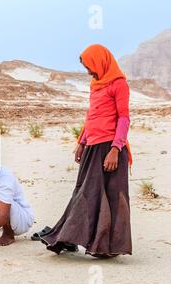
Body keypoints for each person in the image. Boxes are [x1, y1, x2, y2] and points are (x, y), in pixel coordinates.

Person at [40, 44, 133, 258]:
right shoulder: (95, 84)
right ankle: (69, 238)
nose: (89, 72)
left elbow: (124, 118)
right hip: (92, 147)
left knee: (109, 196)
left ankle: (106, 247)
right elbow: (91, 116)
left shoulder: (119, 84)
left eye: (90, 67)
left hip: (109, 148)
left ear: (100, 62)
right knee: (86, 193)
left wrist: (115, 149)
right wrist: (81, 141)